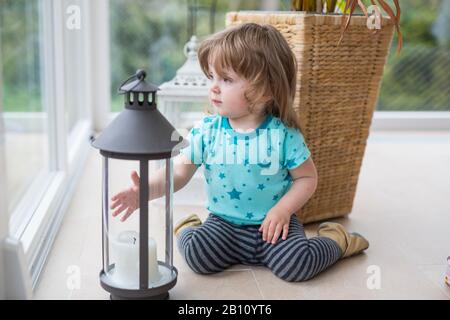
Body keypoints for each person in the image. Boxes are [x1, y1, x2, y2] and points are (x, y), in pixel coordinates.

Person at [110, 23, 369, 282]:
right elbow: (178, 172)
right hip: (224, 224)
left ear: (265, 89)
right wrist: (144, 191)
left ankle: (337, 241)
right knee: (198, 256)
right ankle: (190, 228)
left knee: (297, 265)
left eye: (227, 79)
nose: (213, 86)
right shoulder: (207, 131)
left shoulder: (283, 135)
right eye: (211, 76)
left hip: (273, 225)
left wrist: (282, 210)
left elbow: (306, 178)